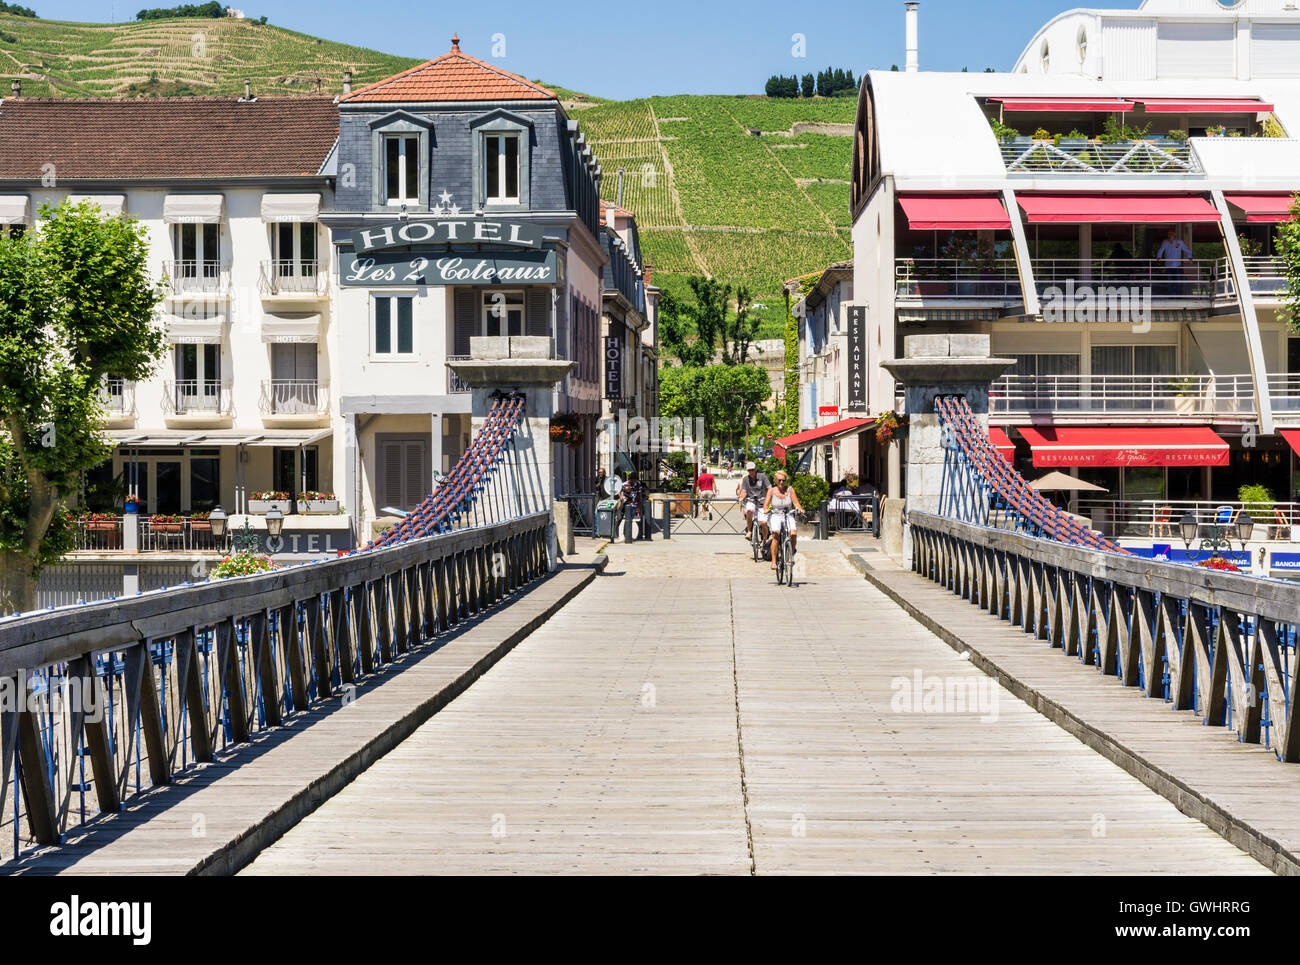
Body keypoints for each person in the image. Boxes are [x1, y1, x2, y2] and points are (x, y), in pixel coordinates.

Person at [763, 470, 805, 570]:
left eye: (783, 480)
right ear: (776, 481)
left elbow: (796, 503)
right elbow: (766, 503)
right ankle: (774, 561)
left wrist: (800, 509)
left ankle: (791, 552)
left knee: (793, 533)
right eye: (779, 480)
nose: (781, 482)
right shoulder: (771, 491)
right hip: (776, 515)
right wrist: (766, 509)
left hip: (788, 514)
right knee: (776, 535)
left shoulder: (790, 490)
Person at [736, 461, 772, 542]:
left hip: (762, 501)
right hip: (751, 500)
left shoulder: (762, 476)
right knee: (749, 510)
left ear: (755, 469)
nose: (751, 472)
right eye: (749, 470)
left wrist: (768, 499)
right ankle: (749, 531)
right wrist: (741, 497)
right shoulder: (745, 479)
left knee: (763, 523)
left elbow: (770, 488)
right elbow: (744, 491)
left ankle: (765, 540)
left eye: (752, 470)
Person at [1156, 228, 1192, 296]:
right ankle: (1171, 295)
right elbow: (1161, 250)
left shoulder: (1179, 242)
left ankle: (1178, 295)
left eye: (1172, 233)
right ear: (1167, 235)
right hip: (1168, 266)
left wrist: (1190, 256)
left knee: (1178, 281)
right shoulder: (1165, 242)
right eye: (1169, 234)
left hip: (1177, 265)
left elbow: (1185, 248)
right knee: (1169, 282)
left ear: (1174, 234)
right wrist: (1158, 257)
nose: (1170, 235)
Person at [617, 470, 645, 541]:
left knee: (629, 520)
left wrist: (639, 505)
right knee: (620, 518)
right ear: (630, 479)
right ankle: (617, 534)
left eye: (635, 480)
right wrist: (621, 497)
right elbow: (618, 491)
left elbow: (639, 495)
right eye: (633, 480)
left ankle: (627, 535)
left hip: (633, 504)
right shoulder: (624, 484)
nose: (634, 481)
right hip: (625, 504)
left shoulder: (637, 484)